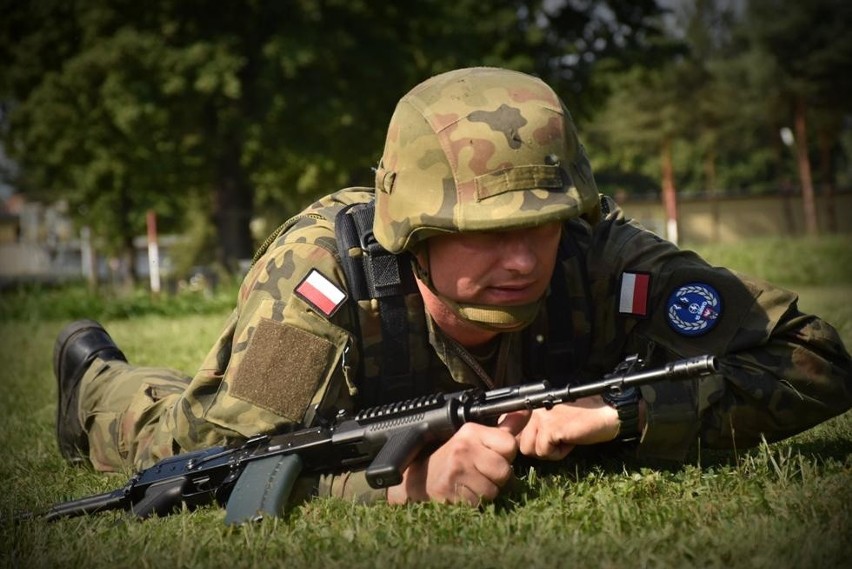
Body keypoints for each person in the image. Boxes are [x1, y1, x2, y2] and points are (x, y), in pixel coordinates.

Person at [54, 67, 852, 506]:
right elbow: (234, 467)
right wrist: (404, 487)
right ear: (413, 234)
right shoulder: (327, 285)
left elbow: (819, 358)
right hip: (246, 409)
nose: (524, 259)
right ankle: (93, 375)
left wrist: (623, 415)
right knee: (172, 438)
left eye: (542, 222)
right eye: (487, 231)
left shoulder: (607, 258)